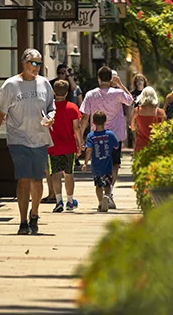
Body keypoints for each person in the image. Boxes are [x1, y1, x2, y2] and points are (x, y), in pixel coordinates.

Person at [0, 48, 55, 235]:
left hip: (40, 137)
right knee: (23, 179)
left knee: (37, 179)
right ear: (24, 64)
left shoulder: (44, 84)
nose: (37, 67)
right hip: (18, 138)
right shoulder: (11, 85)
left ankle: (35, 214)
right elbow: (0, 113)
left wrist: (51, 117)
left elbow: (51, 107)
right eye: (34, 63)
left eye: (39, 64)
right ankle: (23, 221)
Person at [79, 66, 134, 208]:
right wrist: (121, 85)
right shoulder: (118, 93)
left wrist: (80, 137)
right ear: (111, 79)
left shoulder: (90, 94)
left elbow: (84, 117)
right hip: (114, 136)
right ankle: (109, 193)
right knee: (114, 165)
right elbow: (130, 100)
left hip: (96, 136)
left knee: (99, 165)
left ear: (98, 78)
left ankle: (102, 195)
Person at [48, 79, 83, 213]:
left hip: (53, 146)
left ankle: (58, 201)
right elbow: (77, 127)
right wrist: (80, 144)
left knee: (55, 173)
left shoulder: (50, 108)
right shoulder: (72, 108)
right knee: (69, 173)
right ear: (67, 92)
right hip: (69, 146)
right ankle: (70, 200)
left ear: (53, 92)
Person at [82, 111, 120, 212]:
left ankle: (100, 203)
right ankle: (107, 196)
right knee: (108, 184)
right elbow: (116, 146)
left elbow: (89, 149)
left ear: (93, 122)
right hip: (107, 165)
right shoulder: (110, 134)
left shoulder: (91, 136)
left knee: (98, 185)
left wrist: (85, 163)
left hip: (96, 166)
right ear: (105, 121)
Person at [131, 86, 166, 152]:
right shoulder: (160, 112)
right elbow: (164, 130)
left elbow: (133, 128)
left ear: (142, 96)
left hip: (140, 146)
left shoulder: (137, 111)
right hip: (155, 145)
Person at [126, 73, 147, 148]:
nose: (139, 82)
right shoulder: (132, 93)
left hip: (146, 116)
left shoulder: (147, 92)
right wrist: (129, 119)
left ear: (144, 81)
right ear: (135, 82)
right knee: (136, 135)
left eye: (141, 80)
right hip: (136, 116)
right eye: (137, 80)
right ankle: (137, 150)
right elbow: (129, 107)